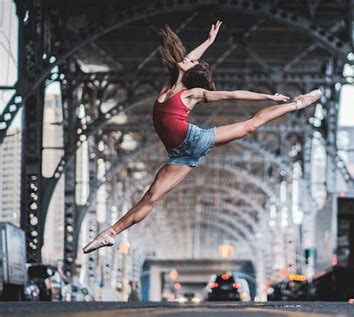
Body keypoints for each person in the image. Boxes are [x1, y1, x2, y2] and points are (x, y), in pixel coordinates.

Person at [82, 21, 321, 254]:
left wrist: (268, 97)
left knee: (250, 125)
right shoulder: (169, 84)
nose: (188, 58)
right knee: (151, 197)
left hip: (194, 140)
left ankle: (295, 104)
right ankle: (110, 233)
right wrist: (208, 41)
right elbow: (184, 61)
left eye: (192, 61)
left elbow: (233, 94)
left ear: (192, 72)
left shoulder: (193, 93)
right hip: (178, 155)